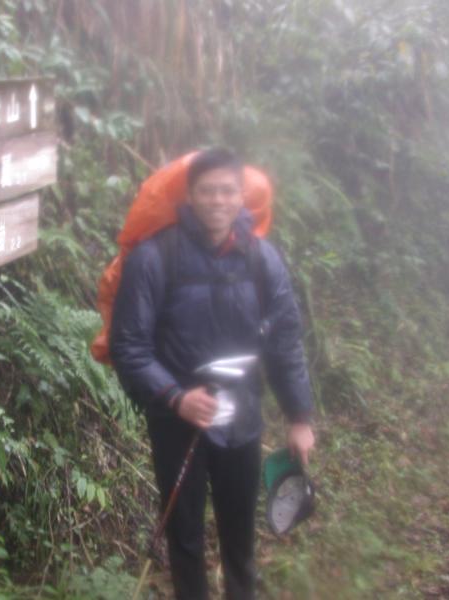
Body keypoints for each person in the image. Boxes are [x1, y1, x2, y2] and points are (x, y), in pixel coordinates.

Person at [109, 147, 315, 600]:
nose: (218, 201)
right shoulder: (154, 257)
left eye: (227, 191)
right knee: (184, 535)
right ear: (190, 195)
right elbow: (129, 345)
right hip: (176, 419)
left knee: (239, 532)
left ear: (241, 196)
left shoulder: (261, 259)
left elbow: (283, 339)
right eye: (207, 191)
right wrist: (176, 397)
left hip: (242, 413)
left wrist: (299, 416)